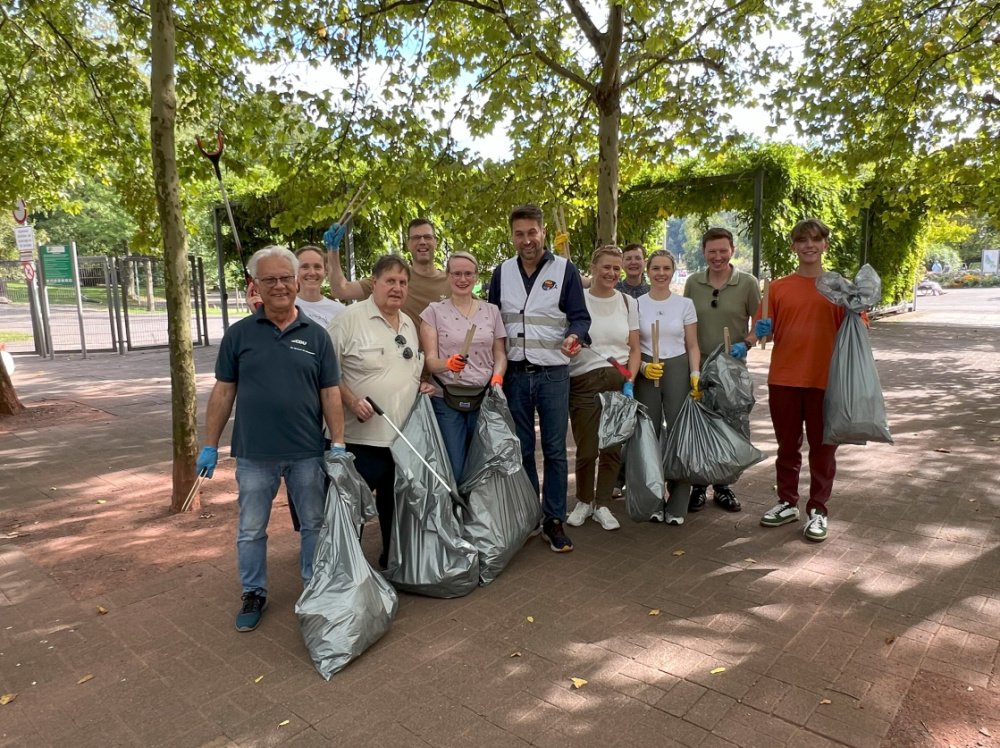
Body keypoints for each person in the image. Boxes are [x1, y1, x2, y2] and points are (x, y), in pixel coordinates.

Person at [197, 245, 345, 632]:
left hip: (307, 452)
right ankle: (253, 593)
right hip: (254, 454)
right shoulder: (239, 335)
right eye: (269, 279)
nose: (279, 286)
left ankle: (314, 587)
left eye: (284, 278)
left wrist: (339, 445)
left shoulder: (317, 336)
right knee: (250, 529)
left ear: (295, 282)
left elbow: (330, 392)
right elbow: (223, 391)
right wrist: (210, 444)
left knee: (314, 524)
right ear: (256, 286)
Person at [487, 204, 591, 553]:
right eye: (519, 234)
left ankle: (554, 519)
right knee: (522, 449)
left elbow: (580, 317)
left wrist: (575, 336)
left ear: (543, 232)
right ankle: (531, 515)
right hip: (514, 375)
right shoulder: (502, 273)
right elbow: (492, 321)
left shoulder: (565, 270)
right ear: (512, 236)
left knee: (555, 450)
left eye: (532, 232)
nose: (527, 240)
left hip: (553, 374)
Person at [752, 219, 860, 543]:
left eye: (815, 239)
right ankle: (787, 503)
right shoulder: (777, 288)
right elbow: (762, 333)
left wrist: (856, 313)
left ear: (825, 244)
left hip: (826, 381)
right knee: (787, 447)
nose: (808, 246)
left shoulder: (841, 287)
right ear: (793, 247)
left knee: (823, 451)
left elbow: (858, 332)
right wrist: (756, 334)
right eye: (802, 240)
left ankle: (818, 510)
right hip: (784, 379)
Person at [326, 254, 434, 568]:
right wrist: (350, 401)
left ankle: (392, 562)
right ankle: (346, 570)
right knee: (351, 509)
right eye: (390, 281)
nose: (397, 288)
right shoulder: (348, 319)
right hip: (360, 440)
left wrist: (422, 385)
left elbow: (408, 368)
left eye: (403, 282)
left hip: (400, 440)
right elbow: (325, 372)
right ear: (374, 282)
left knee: (393, 505)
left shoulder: (409, 323)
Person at [682, 227, 761, 513]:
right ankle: (698, 485)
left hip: (731, 369)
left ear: (732, 251)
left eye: (723, 251)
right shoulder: (693, 283)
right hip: (698, 367)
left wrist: (747, 343)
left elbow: (760, 324)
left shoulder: (747, 283)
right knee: (700, 426)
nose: (717, 257)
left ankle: (724, 486)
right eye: (711, 251)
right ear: (703, 252)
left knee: (730, 427)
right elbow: (685, 322)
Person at [566, 246, 640, 531]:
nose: (611, 273)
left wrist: (630, 380)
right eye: (606, 267)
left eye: (616, 268)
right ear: (593, 268)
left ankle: (603, 504)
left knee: (611, 448)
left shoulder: (627, 302)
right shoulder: (577, 300)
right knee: (587, 449)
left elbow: (634, 348)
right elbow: (567, 340)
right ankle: (584, 501)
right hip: (583, 381)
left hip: (618, 381)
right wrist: (569, 349)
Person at [419, 251, 507, 481]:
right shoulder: (433, 312)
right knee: (455, 468)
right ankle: (457, 504)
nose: (462, 279)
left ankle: (478, 506)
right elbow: (430, 361)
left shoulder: (491, 311)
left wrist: (497, 377)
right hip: (447, 398)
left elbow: (499, 353)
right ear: (447, 276)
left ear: (476, 276)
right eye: (456, 273)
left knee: (482, 467)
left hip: (483, 397)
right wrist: (447, 364)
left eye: (468, 273)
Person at [634, 249, 701, 525]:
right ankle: (651, 499)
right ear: (647, 271)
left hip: (677, 368)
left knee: (678, 432)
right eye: (656, 268)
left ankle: (678, 501)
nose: (661, 273)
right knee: (647, 434)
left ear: (673, 271)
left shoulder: (684, 304)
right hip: (647, 369)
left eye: (666, 268)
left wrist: (694, 374)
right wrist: (641, 367)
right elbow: (630, 345)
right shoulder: (636, 304)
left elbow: (692, 344)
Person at [324, 217, 450, 326]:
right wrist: (333, 250)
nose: (422, 242)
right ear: (409, 244)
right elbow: (340, 290)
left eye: (427, 237)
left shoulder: (452, 282)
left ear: (436, 242)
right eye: (416, 237)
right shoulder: (396, 279)